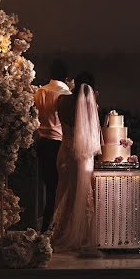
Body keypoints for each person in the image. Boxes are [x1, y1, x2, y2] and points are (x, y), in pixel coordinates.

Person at [52, 72, 102, 253]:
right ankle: (81, 234)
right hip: (82, 155)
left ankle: (59, 231)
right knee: (81, 195)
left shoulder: (61, 101)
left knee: (64, 191)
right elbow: (91, 133)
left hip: (64, 152)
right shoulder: (88, 105)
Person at [34, 59, 71, 232]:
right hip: (58, 143)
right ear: (66, 76)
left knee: (48, 186)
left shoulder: (40, 91)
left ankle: (46, 226)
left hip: (42, 142)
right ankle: (55, 227)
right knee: (59, 189)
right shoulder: (64, 93)